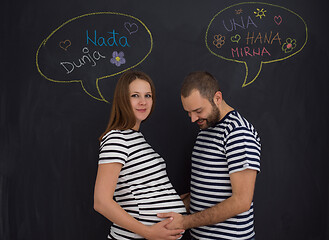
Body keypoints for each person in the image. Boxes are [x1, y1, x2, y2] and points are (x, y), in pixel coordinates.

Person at [158, 71, 261, 240]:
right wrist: (173, 206)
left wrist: (184, 222)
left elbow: (241, 201)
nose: (192, 119)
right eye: (188, 112)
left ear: (217, 98)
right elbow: (206, 192)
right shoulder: (205, 130)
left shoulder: (238, 133)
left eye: (198, 110)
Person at [94, 70, 186, 240]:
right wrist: (148, 232)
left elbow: (143, 190)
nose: (143, 102)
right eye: (135, 95)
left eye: (148, 96)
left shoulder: (136, 138)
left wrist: (178, 203)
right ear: (123, 99)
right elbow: (101, 202)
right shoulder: (117, 138)